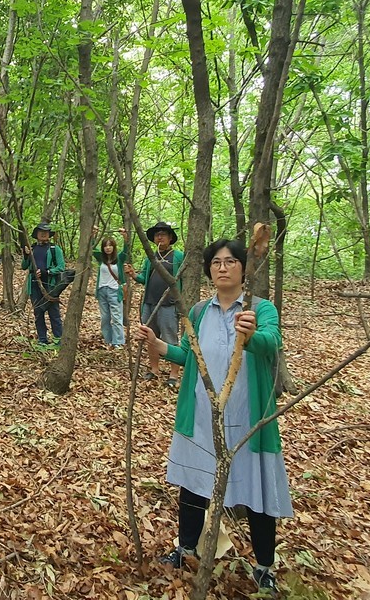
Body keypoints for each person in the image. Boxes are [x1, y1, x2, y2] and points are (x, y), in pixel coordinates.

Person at [135, 238, 290, 597]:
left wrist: (250, 334)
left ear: (243, 268)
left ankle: (264, 566)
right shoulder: (201, 311)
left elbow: (271, 342)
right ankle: (187, 548)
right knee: (193, 483)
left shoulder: (259, 309)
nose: (223, 267)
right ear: (208, 270)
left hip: (248, 419)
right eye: (216, 262)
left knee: (256, 490)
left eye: (230, 261)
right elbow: (190, 356)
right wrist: (159, 346)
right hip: (202, 415)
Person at [129, 221, 184, 385]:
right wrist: (133, 274)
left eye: (163, 234)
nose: (160, 237)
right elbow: (144, 278)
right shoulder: (150, 258)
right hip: (149, 304)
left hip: (169, 304)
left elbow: (185, 279)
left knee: (170, 338)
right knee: (150, 337)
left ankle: (174, 374)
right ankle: (154, 369)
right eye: (157, 235)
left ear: (170, 238)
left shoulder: (178, 256)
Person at [22, 223, 64, 347]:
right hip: (34, 285)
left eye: (46, 231)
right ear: (36, 234)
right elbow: (24, 266)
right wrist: (26, 256)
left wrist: (48, 272)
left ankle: (59, 339)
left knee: (54, 312)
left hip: (49, 285)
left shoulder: (54, 249)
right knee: (38, 313)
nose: (43, 233)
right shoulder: (32, 248)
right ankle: (42, 339)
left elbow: (61, 267)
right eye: (41, 231)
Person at [92, 227, 131, 348]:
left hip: (114, 290)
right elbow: (93, 249)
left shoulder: (119, 259)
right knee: (105, 318)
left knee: (116, 317)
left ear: (114, 247)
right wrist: (94, 235)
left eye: (110, 245)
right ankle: (108, 340)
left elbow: (126, 251)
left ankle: (118, 342)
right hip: (102, 290)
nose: (108, 248)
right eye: (105, 246)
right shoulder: (101, 259)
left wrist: (125, 237)